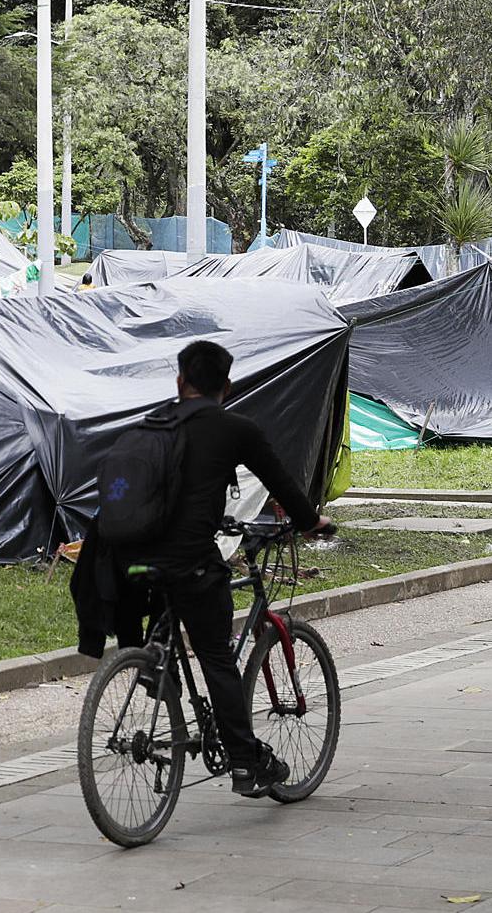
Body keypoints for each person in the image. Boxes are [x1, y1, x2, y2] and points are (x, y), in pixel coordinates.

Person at [127, 340, 334, 797]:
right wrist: (310, 521)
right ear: (227, 385)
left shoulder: (153, 422)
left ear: (180, 382)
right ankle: (244, 764)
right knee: (216, 655)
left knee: (167, 589)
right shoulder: (234, 428)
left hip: (132, 557)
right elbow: (280, 480)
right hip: (191, 559)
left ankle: (155, 653)